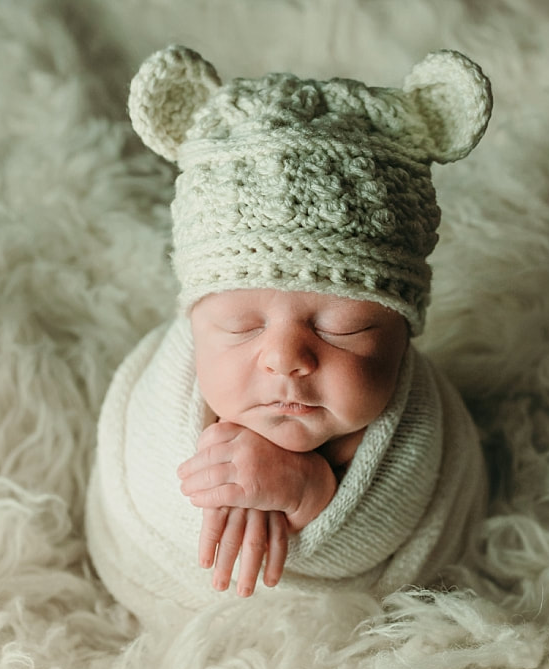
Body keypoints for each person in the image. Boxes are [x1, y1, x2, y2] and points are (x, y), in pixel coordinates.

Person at [86, 45, 493, 620]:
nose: (284, 357)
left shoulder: (413, 421)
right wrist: (222, 485)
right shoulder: (172, 389)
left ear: (404, 332)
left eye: (343, 328)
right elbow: (152, 487)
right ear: (195, 319)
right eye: (240, 325)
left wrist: (306, 491)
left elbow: (400, 512)